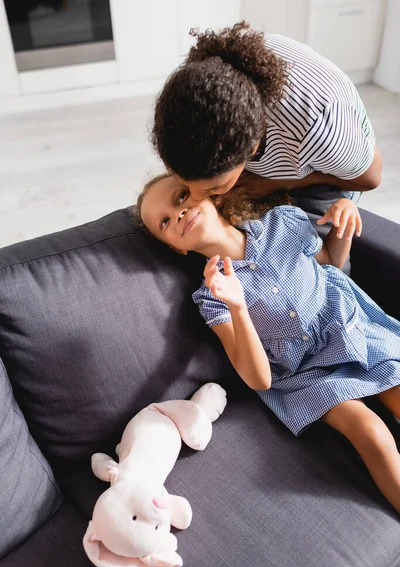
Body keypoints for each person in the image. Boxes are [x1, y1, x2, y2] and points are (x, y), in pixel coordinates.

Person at [135, 173, 400, 513]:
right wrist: (237, 305)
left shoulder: (283, 222)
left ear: (211, 194)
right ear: (176, 247)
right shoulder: (211, 299)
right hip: (307, 376)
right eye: (165, 222)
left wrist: (344, 218)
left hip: (352, 330)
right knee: (371, 432)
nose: (180, 214)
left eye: (182, 197)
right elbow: (258, 378)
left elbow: (330, 262)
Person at [151, 22, 382, 228]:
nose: (197, 196)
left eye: (213, 187)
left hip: (332, 171)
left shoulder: (319, 128)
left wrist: (280, 182)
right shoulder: (191, 88)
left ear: (252, 149)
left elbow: (370, 178)